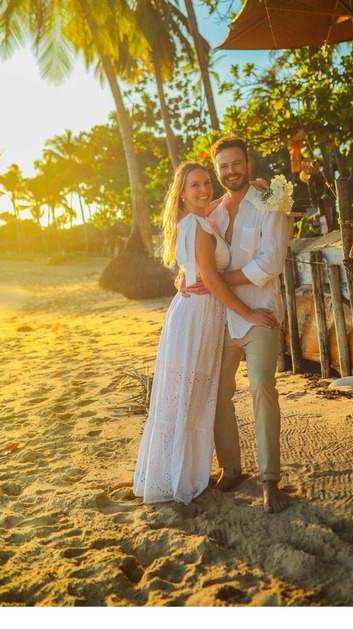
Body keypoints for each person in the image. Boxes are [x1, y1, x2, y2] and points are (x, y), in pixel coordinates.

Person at [133, 162, 279, 505]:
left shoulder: (195, 220)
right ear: (181, 195)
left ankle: (169, 473)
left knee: (187, 396)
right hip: (198, 316)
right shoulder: (199, 226)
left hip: (192, 315)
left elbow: (216, 209)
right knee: (189, 397)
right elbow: (210, 280)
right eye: (194, 186)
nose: (203, 190)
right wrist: (249, 313)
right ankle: (176, 477)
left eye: (205, 183)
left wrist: (254, 187)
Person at [182, 135, 291, 513]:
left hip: (259, 313)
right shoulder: (212, 213)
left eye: (236, 164)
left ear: (249, 164)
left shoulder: (269, 203)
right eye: (223, 167)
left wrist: (215, 280)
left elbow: (270, 263)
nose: (231, 171)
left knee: (261, 385)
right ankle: (232, 469)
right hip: (219, 318)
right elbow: (191, 253)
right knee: (216, 394)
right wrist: (188, 279)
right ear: (217, 171)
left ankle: (270, 479)